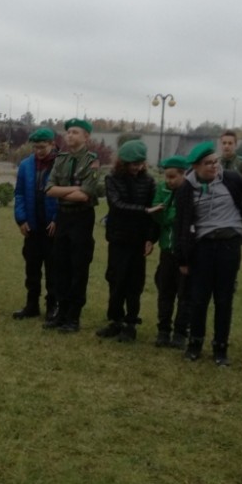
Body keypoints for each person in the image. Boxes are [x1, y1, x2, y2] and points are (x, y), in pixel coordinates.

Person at [176, 141, 242, 365]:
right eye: (208, 163)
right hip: (203, 247)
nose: (214, 166)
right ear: (196, 167)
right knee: (199, 298)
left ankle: (220, 348)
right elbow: (181, 224)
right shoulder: (187, 188)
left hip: (229, 245)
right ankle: (195, 344)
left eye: (215, 161)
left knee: (224, 299)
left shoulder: (230, 178)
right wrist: (182, 258)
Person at [97, 140, 158, 342]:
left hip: (138, 240)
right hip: (118, 238)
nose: (137, 167)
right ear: (123, 162)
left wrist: (150, 238)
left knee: (134, 283)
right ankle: (115, 320)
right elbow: (116, 205)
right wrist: (144, 210)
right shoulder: (112, 179)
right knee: (116, 280)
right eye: (133, 164)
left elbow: (153, 214)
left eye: (140, 163)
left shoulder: (149, 181)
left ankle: (131, 323)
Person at [44, 118, 100, 333]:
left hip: (82, 218)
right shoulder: (61, 159)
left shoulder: (92, 161)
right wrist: (72, 190)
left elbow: (85, 194)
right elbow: (49, 189)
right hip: (63, 216)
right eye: (68, 132)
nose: (70, 135)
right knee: (60, 265)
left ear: (86, 137)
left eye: (75, 132)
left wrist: (62, 191)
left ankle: (73, 317)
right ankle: (61, 312)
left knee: (78, 267)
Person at [12, 128, 59, 320]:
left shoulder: (60, 164)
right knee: (32, 267)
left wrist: (56, 219)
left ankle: (52, 305)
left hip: (51, 226)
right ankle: (32, 304)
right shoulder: (25, 165)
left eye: (42, 147)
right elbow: (19, 193)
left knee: (53, 268)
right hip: (32, 225)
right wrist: (21, 219)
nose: (39, 151)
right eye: (36, 147)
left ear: (52, 144)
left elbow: (63, 195)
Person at [151, 154, 190, 348]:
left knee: (185, 294)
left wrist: (166, 212)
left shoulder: (190, 192)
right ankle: (163, 329)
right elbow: (158, 215)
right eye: (166, 176)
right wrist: (165, 214)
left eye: (173, 177)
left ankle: (181, 332)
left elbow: (180, 218)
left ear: (183, 174)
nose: (169, 180)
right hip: (166, 249)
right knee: (165, 291)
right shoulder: (162, 189)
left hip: (185, 252)